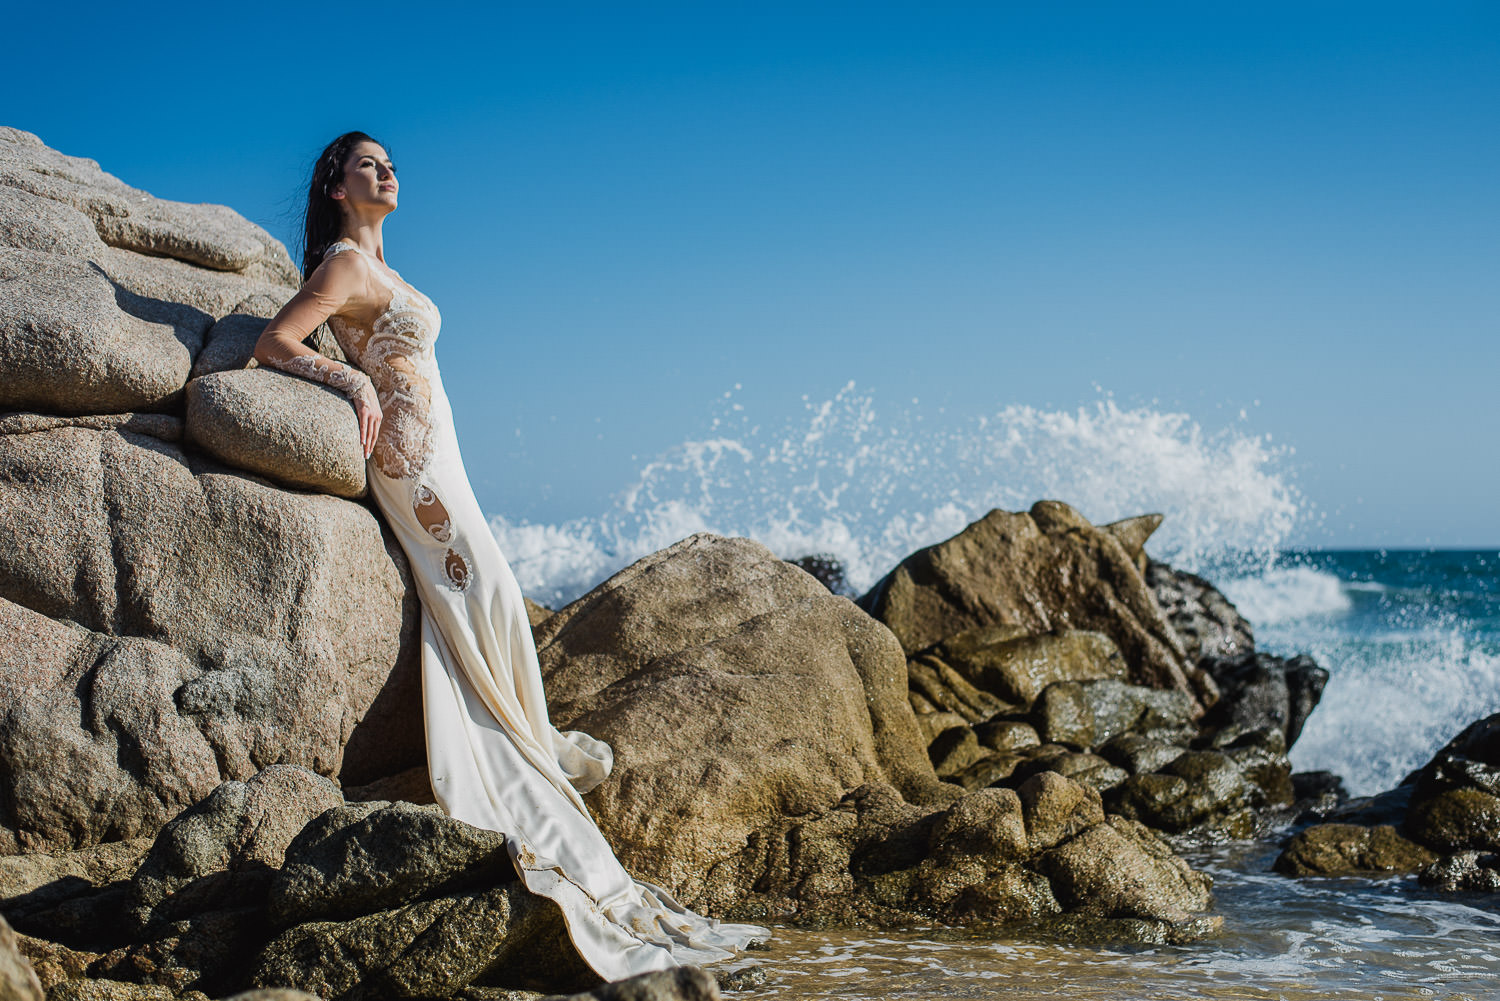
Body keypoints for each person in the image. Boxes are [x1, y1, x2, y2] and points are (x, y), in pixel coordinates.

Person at [252, 131, 767, 981]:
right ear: (336, 187)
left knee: (492, 590)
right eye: (367, 164)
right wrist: (350, 384)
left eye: (389, 162)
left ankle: (530, 741)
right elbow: (276, 343)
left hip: (441, 457)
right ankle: (526, 757)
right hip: (411, 467)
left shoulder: (386, 270)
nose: (387, 171)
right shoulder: (344, 265)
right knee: (486, 589)